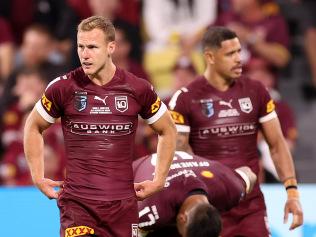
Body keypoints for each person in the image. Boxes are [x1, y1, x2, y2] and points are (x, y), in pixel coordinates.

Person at [23, 16, 176, 237]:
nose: (85, 55)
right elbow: (33, 125)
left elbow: (168, 129)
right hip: (78, 205)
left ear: (111, 47)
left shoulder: (137, 88)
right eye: (81, 47)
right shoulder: (63, 87)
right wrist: (37, 176)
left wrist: (159, 179)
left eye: (92, 47)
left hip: (123, 206)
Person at [168, 26, 303, 236]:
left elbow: (276, 144)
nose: (239, 58)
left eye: (239, 51)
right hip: (211, 210)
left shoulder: (256, 91)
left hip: (251, 207)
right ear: (210, 57)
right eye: (230, 54)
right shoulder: (186, 98)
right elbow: (179, 156)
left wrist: (292, 193)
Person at [134, 151, 257, 237]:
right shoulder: (148, 211)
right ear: (182, 219)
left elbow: (249, 175)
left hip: (194, 171)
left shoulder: (231, 189)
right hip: (136, 173)